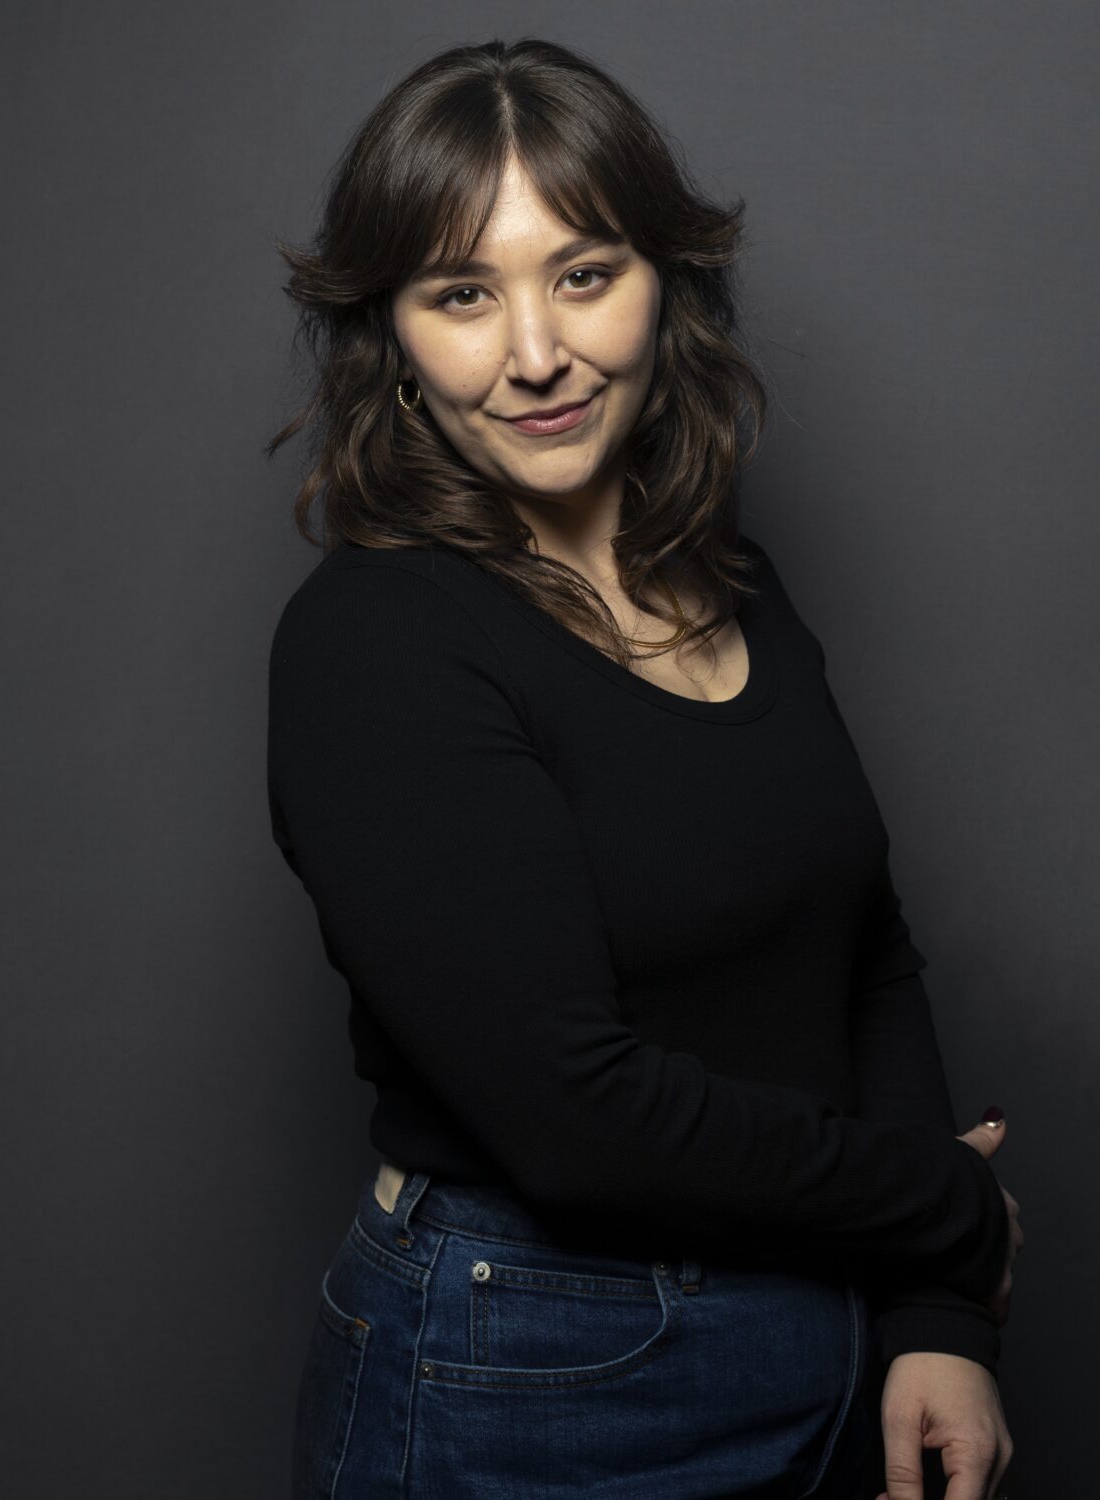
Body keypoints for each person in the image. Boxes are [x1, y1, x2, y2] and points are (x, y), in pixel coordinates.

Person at [265, 36, 1023, 1500]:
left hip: (816, 1333)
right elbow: (575, 1116)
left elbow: (859, 951)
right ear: (394, 342)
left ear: (663, 282)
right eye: (461, 294)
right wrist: (948, 1211)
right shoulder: (375, 642)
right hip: (522, 1374)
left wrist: (938, 1318)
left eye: (584, 273)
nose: (536, 354)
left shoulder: (731, 581)